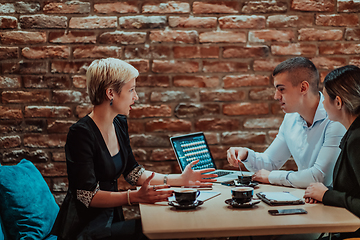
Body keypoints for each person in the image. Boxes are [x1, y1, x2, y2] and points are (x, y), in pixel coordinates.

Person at [51, 58, 217, 240]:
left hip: (111, 218)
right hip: (85, 227)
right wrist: (134, 197)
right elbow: (87, 196)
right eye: (131, 90)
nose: (135, 96)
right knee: (153, 231)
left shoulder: (119, 123)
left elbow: (133, 173)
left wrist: (181, 179)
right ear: (110, 93)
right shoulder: (81, 133)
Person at [227, 57, 346, 188]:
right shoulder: (291, 118)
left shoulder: (335, 119)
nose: (276, 96)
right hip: (307, 199)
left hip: (334, 205)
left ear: (303, 88)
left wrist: (272, 177)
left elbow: (320, 177)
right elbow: (271, 163)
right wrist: (246, 155)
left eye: (281, 89)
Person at [304, 65, 360, 239]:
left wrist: (327, 195)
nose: (322, 103)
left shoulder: (357, 139)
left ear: (338, 102)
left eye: (325, 97)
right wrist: (322, 193)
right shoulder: (352, 133)